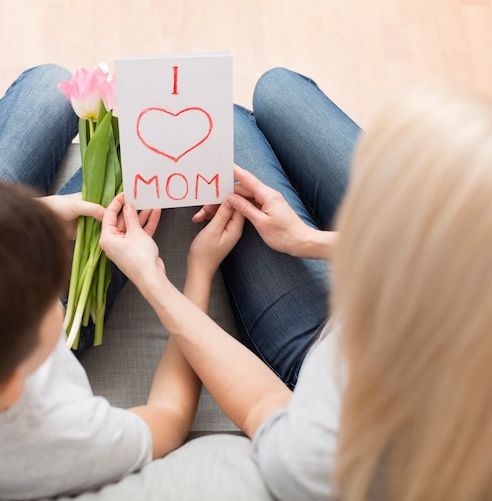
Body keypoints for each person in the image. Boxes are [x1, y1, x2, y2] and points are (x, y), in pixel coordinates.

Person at [99, 67, 492, 501]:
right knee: (277, 88)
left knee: (228, 125)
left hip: (320, 347)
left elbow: (258, 404)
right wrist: (307, 241)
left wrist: (163, 281)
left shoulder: (325, 457)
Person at [0, 64, 204, 499]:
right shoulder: (61, 439)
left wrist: (32, 217)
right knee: (150, 160)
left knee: (50, 84)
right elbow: (169, 417)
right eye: (49, 295)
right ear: (13, 383)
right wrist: (194, 274)